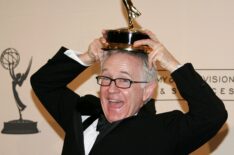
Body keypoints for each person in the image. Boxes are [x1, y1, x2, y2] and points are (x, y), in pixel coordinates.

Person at [30, 30, 227, 155]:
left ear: (147, 91)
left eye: (124, 80)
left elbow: (212, 115)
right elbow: (44, 83)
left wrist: (170, 63)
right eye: (106, 78)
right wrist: (87, 57)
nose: (112, 88)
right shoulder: (83, 111)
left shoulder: (160, 132)